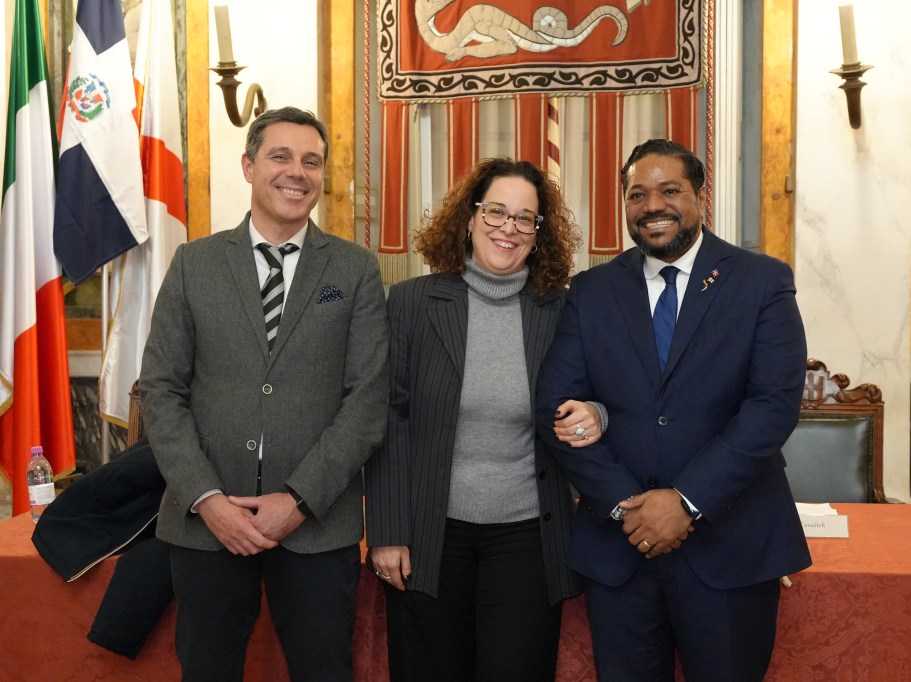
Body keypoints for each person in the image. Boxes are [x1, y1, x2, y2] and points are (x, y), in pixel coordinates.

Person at [535, 139, 812, 681]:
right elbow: (556, 407)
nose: (652, 206)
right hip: (621, 548)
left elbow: (772, 406)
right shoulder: (591, 291)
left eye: (669, 190)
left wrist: (685, 501)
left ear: (700, 197)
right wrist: (626, 507)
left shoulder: (761, 281)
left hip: (731, 545)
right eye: (637, 195)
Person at [139, 106, 389, 681]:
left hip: (317, 525)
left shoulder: (353, 271)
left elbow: (367, 402)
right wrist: (207, 498)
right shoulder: (194, 263)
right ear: (249, 166)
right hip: (207, 524)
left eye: (312, 161)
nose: (297, 172)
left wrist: (298, 502)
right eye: (281, 156)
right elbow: (161, 389)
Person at [364, 158, 600, 682]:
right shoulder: (412, 302)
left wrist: (597, 413)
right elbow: (387, 418)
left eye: (525, 218)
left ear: (539, 234)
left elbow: (604, 395)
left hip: (527, 539)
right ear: (469, 218)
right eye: (496, 211)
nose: (508, 227)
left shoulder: (561, 310)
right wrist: (387, 531)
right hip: (428, 535)